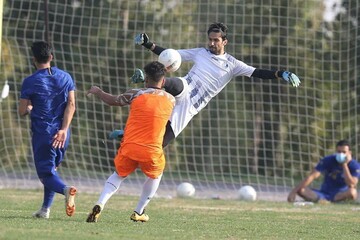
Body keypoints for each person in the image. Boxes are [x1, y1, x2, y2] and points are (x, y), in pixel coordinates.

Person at [133, 22, 301, 147]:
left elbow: (257, 72)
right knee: (179, 84)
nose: (212, 43)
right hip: (186, 87)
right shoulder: (200, 53)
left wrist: (281, 74)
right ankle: (149, 80)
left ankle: (129, 138)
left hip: (191, 106)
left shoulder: (233, 64)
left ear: (224, 42)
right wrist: (147, 44)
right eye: (210, 40)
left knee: (159, 143)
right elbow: (172, 55)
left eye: (216, 40)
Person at [86, 61, 175, 223]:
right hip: (152, 149)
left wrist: (98, 91)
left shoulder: (135, 93)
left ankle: (100, 203)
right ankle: (139, 211)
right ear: (163, 81)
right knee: (156, 176)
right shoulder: (171, 99)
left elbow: (113, 100)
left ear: (146, 79)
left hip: (130, 146)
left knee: (118, 175)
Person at [18, 41, 77, 219]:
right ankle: (45, 209)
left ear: (34, 59)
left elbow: (22, 111)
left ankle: (66, 190)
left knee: (45, 174)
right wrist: (64, 129)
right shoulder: (66, 77)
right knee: (51, 171)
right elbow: (72, 104)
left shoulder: (30, 81)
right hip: (63, 134)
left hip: (44, 134)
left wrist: (29, 109)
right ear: (51, 57)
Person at [287, 140, 360, 203]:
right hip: (323, 193)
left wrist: (344, 165)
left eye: (344, 152)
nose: (341, 154)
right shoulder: (328, 160)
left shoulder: (355, 165)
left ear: (349, 153)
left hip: (339, 194)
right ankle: (323, 200)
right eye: (339, 152)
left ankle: (330, 201)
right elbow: (312, 176)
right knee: (301, 190)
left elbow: (352, 184)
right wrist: (294, 192)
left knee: (352, 192)